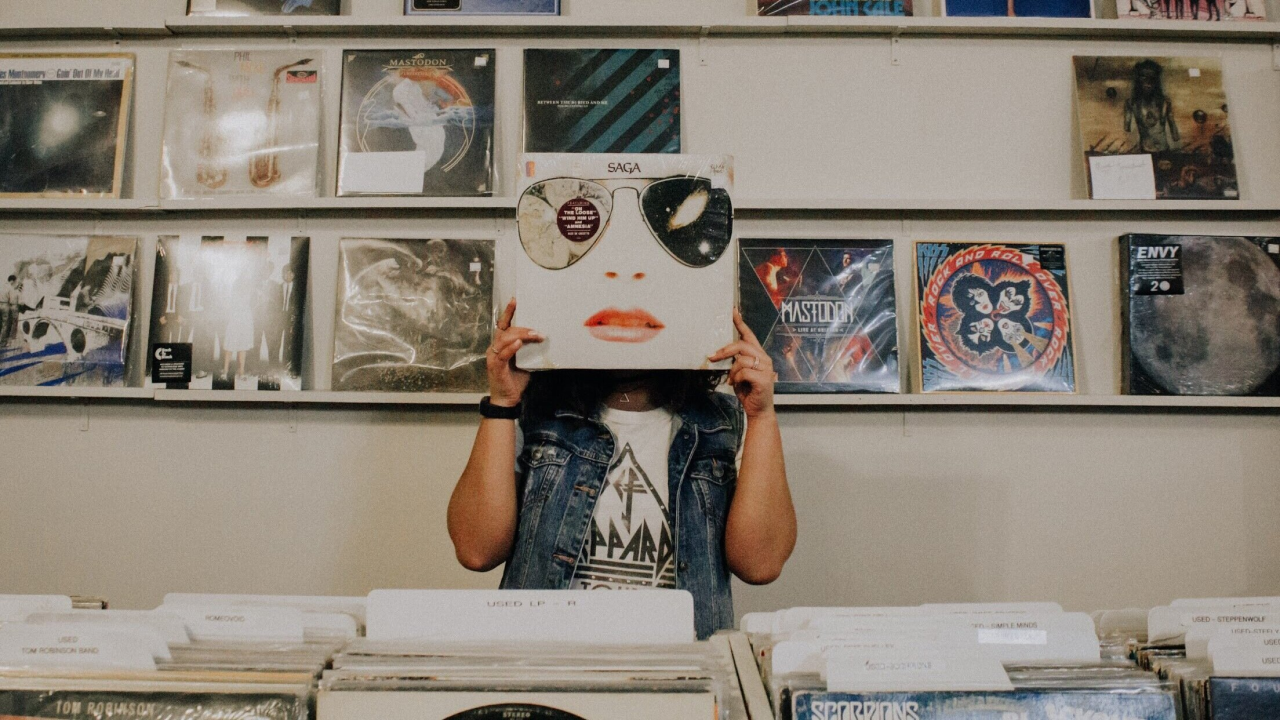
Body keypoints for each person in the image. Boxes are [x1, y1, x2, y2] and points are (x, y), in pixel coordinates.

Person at [447, 299, 797, 639]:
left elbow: (760, 565)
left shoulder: (726, 423)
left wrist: (761, 415)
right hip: (547, 672)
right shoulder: (535, 412)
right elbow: (477, 550)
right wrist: (502, 403)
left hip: (680, 678)